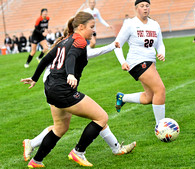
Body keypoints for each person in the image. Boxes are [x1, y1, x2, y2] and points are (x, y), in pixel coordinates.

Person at [21, 11, 135, 168]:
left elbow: (47, 59)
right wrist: (70, 74)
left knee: (60, 128)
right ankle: (78, 152)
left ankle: (36, 161)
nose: (93, 31)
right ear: (81, 27)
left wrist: (34, 78)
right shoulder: (79, 41)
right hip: (63, 90)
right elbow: (71, 58)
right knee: (101, 117)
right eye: (91, 27)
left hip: (50, 88)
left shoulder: (65, 40)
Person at [114, 0, 166, 127]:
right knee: (160, 90)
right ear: (136, 8)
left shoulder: (154, 24)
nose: (145, 8)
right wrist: (122, 62)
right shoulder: (130, 24)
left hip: (150, 61)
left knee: (149, 97)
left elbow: (160, 44)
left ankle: (122, 98)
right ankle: (161, 127)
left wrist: (161, 53)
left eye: (147, 6)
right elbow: (117, 45)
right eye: (142, 6)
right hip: (137, 62)